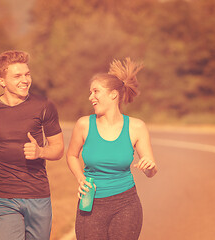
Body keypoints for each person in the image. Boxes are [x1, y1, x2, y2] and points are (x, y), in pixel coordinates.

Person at [0, 50, 64, 240]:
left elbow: (58, 149)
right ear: (2, 81)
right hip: (1, 197)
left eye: (27, 74)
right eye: (17, 76)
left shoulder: (44, 106)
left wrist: (40, 151)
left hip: (38, 196)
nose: (25, 80)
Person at [66, 57, 158, 240]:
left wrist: (149, 167)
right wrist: (80, 178)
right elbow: (71, 155)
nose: (90, 97)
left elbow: (151, 171)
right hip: (90, 204)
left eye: (95, 91)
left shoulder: (136, 127)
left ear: (113, 95)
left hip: (126, 205)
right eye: (90, 92)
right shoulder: (83, 124)